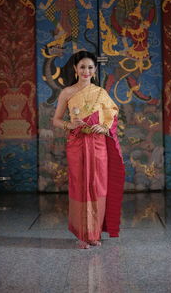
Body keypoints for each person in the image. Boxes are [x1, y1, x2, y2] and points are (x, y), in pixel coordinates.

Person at [53, 51, 125, 249]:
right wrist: (70, 125)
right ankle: (82, 235)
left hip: (98, 144)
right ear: (75, 69)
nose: (86, 71)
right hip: (77, 144)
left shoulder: (101, 93)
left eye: (90, 68)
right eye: (82, 67)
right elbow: (56, 120)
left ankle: (94, 233)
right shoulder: (67, 93)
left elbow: (112, 117)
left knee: (97, 186)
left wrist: (104, 128)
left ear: (95, 70)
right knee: (80, 186)